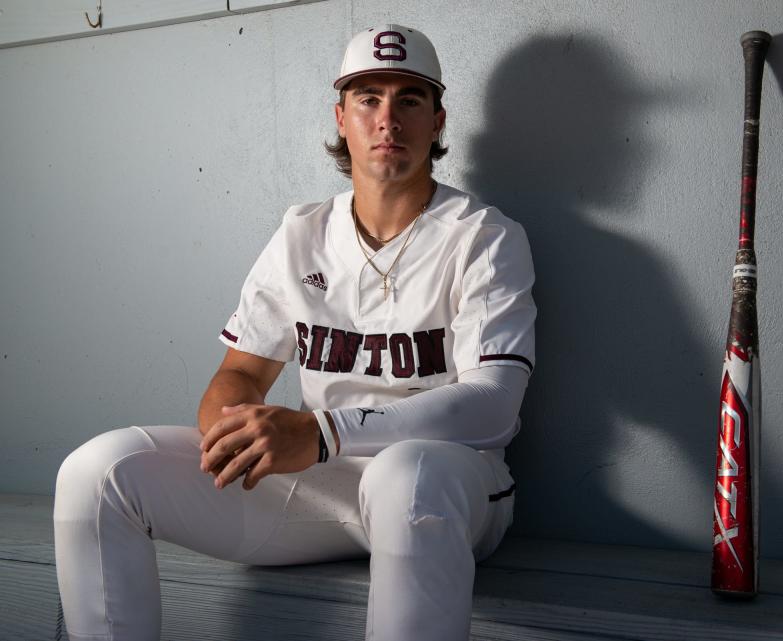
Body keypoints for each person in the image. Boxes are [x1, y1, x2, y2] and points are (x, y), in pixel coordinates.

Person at [53, 24, 536, 641]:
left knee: (407, 473)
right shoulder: (302, 232)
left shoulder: (484, 237)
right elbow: (241, 374)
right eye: (368, 99)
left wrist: (320, 431)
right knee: (98, 470)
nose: (388, 119)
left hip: (449, 489)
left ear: (438, 120)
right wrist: (238, 429)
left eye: (409, 100)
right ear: (342, 117)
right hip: (321, 485)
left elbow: (494, 403)